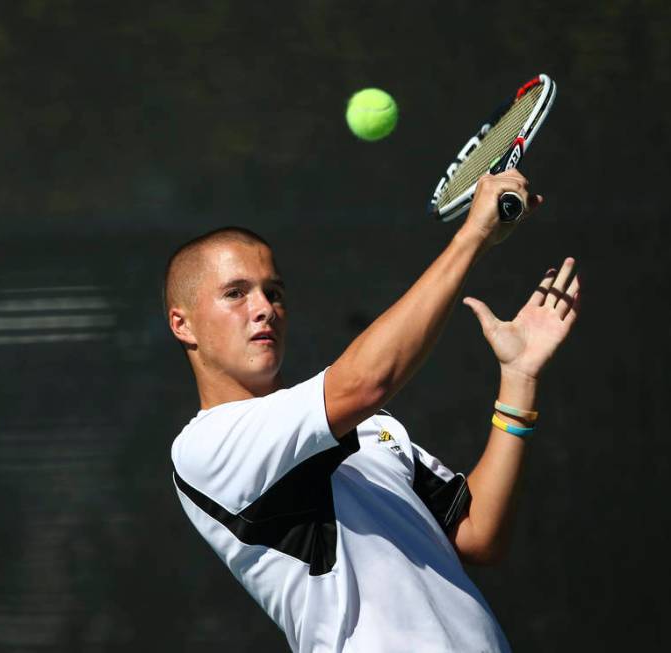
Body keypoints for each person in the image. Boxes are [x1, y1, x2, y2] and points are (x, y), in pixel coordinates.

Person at [164, 170, 580, 653]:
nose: (264, 308)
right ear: (183, 325)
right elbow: (366, 382)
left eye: (273, 292)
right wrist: (472, 237)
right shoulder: (204, 448)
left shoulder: (373, 427)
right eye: (236, 293)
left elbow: (477, 534)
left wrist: (519, 379)